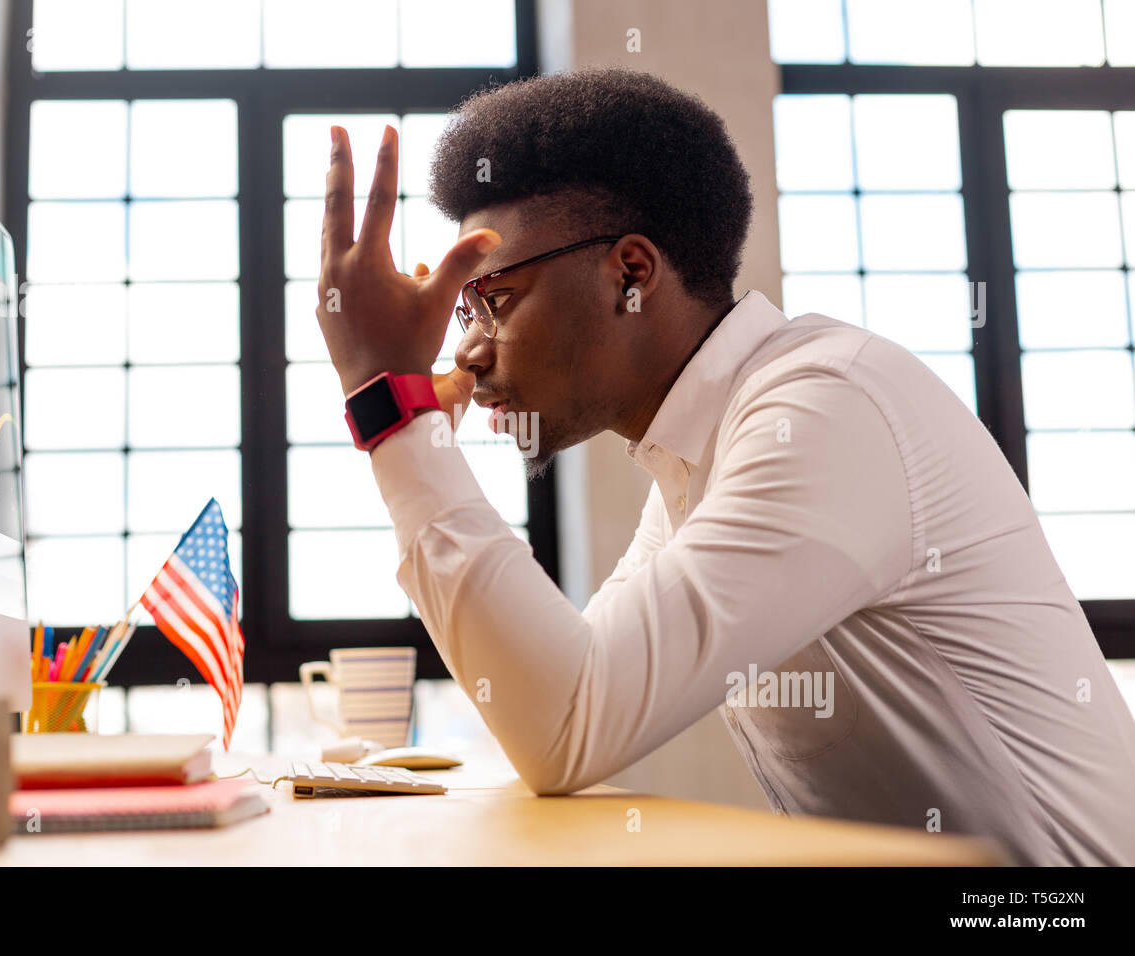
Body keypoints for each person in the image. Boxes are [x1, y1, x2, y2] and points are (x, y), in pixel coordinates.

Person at [313, 67, 1135, 866]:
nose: (468, 348)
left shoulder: (825, 410)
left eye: (492, 297)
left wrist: (392, 410)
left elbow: (568, 725)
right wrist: (409, 425)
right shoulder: (693, 465)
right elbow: (559, 695)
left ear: (631, 274)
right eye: (464, 309)